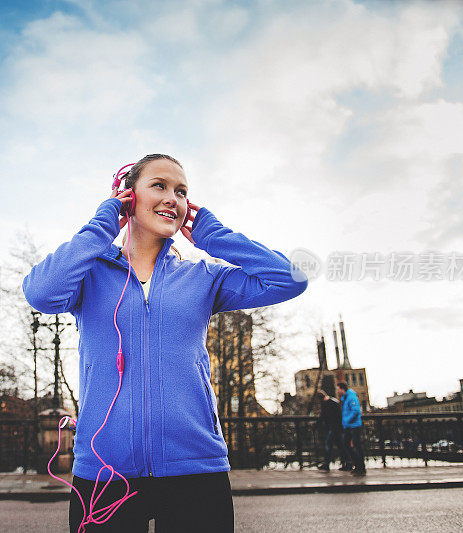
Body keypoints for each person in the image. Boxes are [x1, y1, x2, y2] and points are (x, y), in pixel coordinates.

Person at [23, 154, 308, 532]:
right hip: (105, 474)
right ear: (127, 196)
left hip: (196, 469)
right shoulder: (88, 275)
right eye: (159, 185)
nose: (172, 197)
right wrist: (103, 225)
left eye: (182, 191)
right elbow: (40, 292)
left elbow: (290, 279)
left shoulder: (203, 278)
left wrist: (213, 235)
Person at [337, 382, 366, 475]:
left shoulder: (351, 397)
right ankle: (357, 465)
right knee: (347, 444)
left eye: (338, 389)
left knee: (356, 446)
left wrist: (347, 421)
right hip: (349, 426)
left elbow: (356, 410)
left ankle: (360, 467)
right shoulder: (345, 398)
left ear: (342, 389)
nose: (337, 391)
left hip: (354, 425)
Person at [316, 391, 346, 472]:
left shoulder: (330, 403)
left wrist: (316, 425)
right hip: (336, 428)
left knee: (329, 445)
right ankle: (347, 463)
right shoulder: (333, 402)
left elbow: (324, 416)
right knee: (340, 446)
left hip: (334, 428)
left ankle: (326, 464)